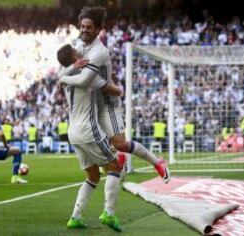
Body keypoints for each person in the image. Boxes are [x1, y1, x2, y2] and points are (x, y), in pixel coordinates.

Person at [59, 6, 170, 184]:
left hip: (106, 103)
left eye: (88, 27)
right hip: (91, 103)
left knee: (120, 143)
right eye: (82, 27)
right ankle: (115, 166)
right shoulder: (79, 47)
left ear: (97, 29)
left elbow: (86, 80)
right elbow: (66, 69)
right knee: (103, 154)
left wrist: (108, 86)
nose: (84, 30)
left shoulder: (98, 51)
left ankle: (157, 162)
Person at [57, 42, 123, 231]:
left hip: (73, 132)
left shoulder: (66, 76)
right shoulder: (84, 76)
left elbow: (61, 76)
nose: (81, 52)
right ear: (75, 58)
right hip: (88, 129)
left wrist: (107, 77)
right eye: (77, 52)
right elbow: (111, 89)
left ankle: (76, 217)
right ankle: (109, 213)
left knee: (92, 175)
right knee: (115, 166)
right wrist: (117, 88)